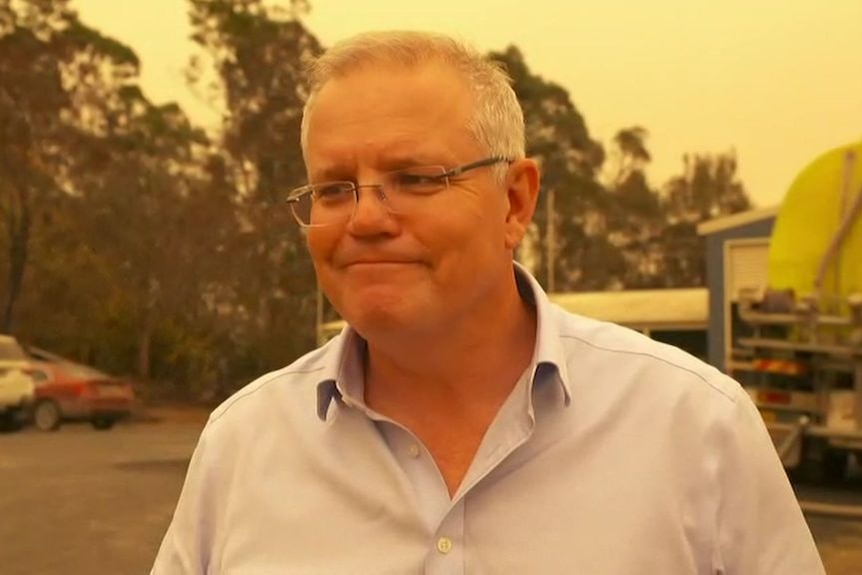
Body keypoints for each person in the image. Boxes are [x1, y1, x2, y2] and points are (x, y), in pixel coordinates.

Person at [152, 30, 824, 574]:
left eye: (414, 178)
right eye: (333, 188)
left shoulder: (697, 430)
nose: (364, 218)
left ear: (516, 201)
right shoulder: (242, 446)